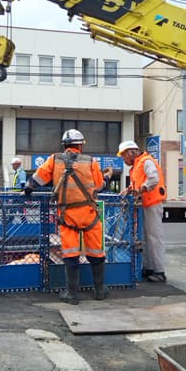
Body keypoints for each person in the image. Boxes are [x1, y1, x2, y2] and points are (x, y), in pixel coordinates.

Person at [24, 129, 113, 304]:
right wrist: (107, 179)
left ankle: (72, 294)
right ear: (80, 145)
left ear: (65, 145)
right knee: (96, 252)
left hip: (67, 216)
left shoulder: (55, 159)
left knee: (71, 254)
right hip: (89, 214)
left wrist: (28, 189)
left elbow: (38, 178)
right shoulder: (90, 161)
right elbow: (99, 185)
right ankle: (100, 290)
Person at [116, 140, 167, 282]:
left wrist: (141, 189)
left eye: (124, 155)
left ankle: (159, 270)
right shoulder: (137, 166)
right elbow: (138, 184)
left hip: (152, 204)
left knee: (154, 237)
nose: (123, 159)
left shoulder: (146, 161)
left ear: (130, 153)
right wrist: (129, 190)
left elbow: (153, 179)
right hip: (144, 204)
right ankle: (149, 267)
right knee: (144, 237)